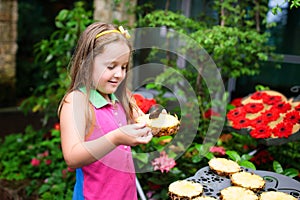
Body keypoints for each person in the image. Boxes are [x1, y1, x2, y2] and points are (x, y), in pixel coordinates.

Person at [58, 22, 153, 200]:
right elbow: (72, 156)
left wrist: (154, 126)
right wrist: (115, 138)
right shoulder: (77, 101)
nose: (119, 74)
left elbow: (143, 123)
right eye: (111, 66)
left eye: (124, 67)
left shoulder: (121, 98)